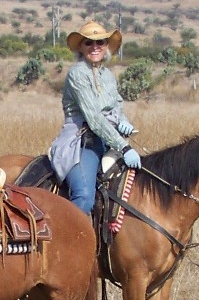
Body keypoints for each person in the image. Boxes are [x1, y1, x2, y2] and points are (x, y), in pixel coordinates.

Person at [50, 20, 139, 217]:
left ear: (107, 46)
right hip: (81, 142)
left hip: (108, 141)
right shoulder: (77, 73)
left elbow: (117, 104)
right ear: (81, 47)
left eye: (100, 42)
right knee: (84, 196)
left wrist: (123, 122)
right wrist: (123, 147)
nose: (95, 47)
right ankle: (74, 244)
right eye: (88, 43)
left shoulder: (108, 75)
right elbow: (94, 118)